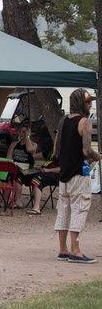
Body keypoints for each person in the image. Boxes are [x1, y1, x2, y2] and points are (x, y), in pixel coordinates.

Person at [54, 88, 100, 263]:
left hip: (64, 174)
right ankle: (75, 251)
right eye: (88, 102)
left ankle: (63, 249)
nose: (90, 105)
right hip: (79, 174)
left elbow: (56, 149)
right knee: (80, 208)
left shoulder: (62, 121)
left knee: (64, 210)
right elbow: (87, 150)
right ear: (82, 103)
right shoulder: (85, 122)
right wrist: (99, 156)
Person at [7, 126, 38, 208]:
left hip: (29, 169)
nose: (21, 133)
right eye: (20, 131)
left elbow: (29, 150)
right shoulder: (14, 144)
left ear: (29, 132)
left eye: (24, 132)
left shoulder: (34, 145)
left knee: (18, 173)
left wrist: (27, 137)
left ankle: (18, 201)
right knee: (11, 173)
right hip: (16, 168)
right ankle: (6, 200)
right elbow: (8, 158)